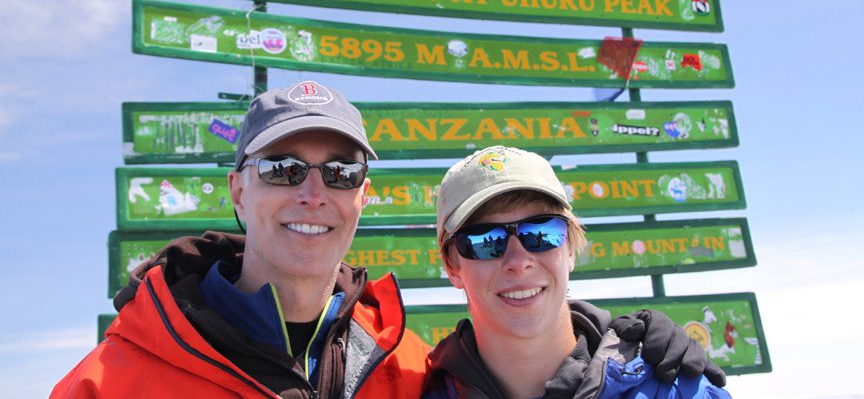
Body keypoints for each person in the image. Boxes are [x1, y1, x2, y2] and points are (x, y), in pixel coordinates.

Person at [52, 82, 723, 398]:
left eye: (341, 172)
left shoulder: (410, 372)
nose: (314, 193)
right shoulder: (113, 381)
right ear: (238, 190)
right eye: (284, 169)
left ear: (361, 196)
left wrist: (621, 344)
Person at [425, 145, 731, 399]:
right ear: (452, 267)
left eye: (542, 232)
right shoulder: (418, 391)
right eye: (484, 241)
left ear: (570, 248)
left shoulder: (677, 390)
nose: (519, 260)